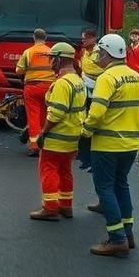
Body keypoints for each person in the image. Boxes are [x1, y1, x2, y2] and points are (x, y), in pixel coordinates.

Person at [82, 34, 139, 257]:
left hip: (108, 144)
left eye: (100, 52)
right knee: (122, 185)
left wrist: (85, 131)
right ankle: (128, 234)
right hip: (131, 145)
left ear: (107, 53)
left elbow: (97, 112)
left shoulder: (107, 78)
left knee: (105, 189)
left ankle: (117, 239)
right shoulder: (137, 78)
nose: (97, 56)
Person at [29, 43, 87, 221]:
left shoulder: (62, 84)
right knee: (65, 170)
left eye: (52, 58)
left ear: (59, 59)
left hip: (57, 139)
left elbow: (56, 114)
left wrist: (43, 133)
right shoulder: (79, 81)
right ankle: (66, 206)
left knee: (48, 169)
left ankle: (50, 208)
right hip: (72, 137)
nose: (50, 62)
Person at [15, 28, 54, 156]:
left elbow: (19, 71)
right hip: (49, 88)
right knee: (45, 115)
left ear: (34, 38)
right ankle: (45, 144)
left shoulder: (28, 52)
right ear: (46, 38)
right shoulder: (51, 52)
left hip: (32, 87)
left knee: (33, 116)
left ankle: (34, 146)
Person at [75, 29, 104, 170]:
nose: (83, 41)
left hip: (98, 89)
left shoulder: (100, 53)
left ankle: (93, 158)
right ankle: (84, 156)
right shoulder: (84, 51)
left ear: (93, 38)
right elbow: (82, 68)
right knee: (83, 119)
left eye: (85, 39)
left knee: (94, 122)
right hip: (85, 88)